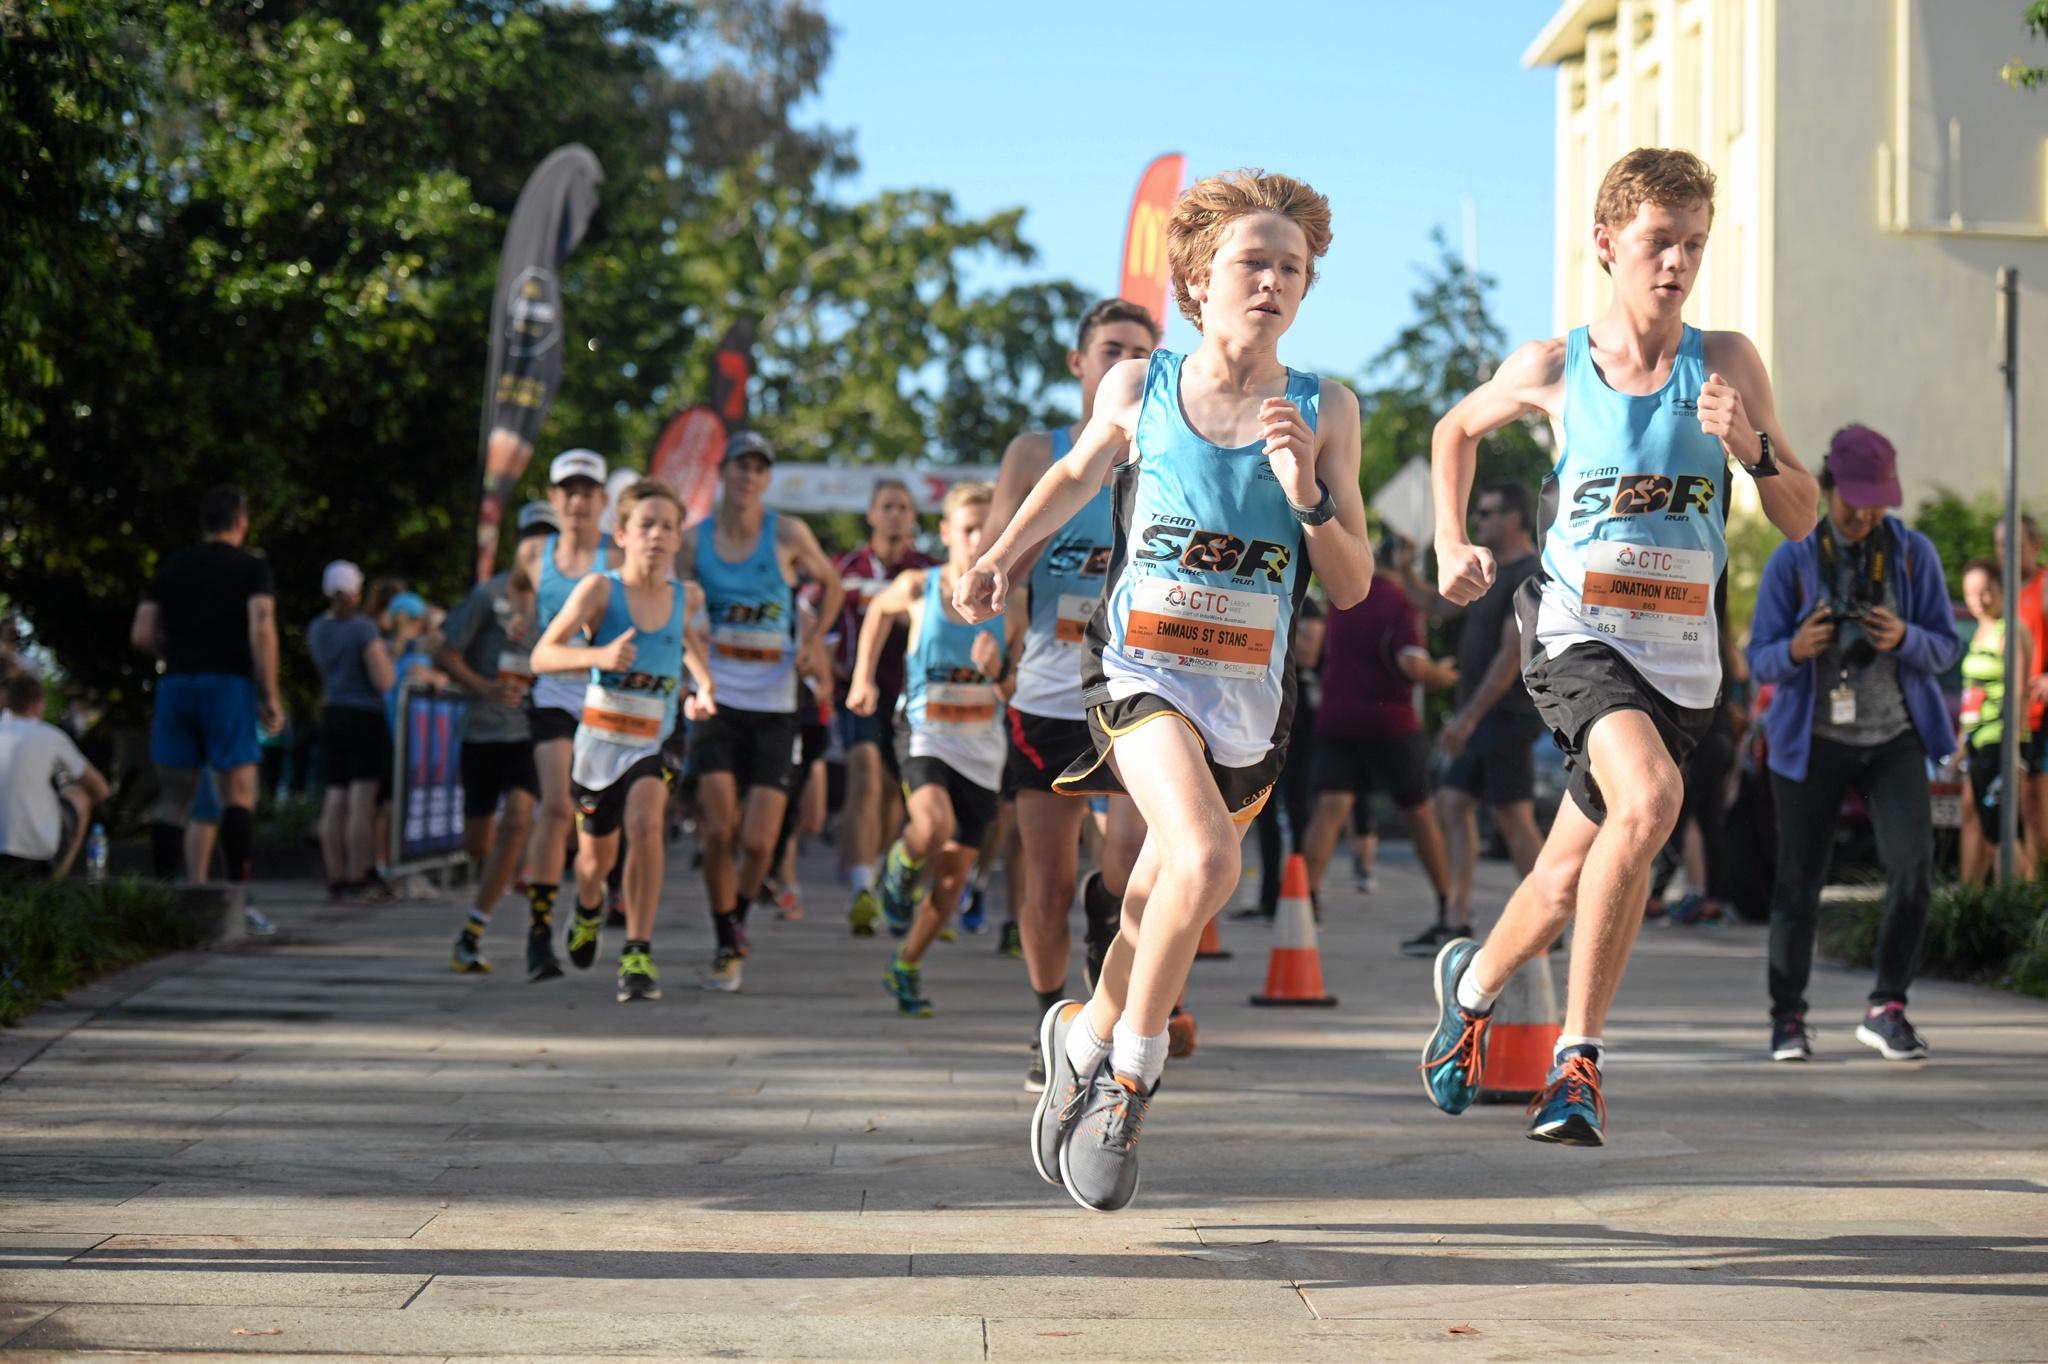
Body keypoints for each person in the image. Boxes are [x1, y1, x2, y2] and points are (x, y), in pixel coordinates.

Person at [959, 168, 1371, 1212]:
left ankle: (1081, 1030)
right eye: (1253, 262)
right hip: (1139, 665)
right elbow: (1068, 477)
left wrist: (1307, 496)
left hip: (1246, 695)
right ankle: (1129, 1081)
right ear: (1196, 279)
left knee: (1154, 890)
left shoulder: (1323, 407)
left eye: (1292, 267)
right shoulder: (1139, 386)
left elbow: (1355, 580)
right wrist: (1000, 560)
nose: (1273, 281)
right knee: (1203, 853)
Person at [1420, 148, 1818, 1146]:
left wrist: (1750, 448)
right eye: (1656, 242)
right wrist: (1446, 535)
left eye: (1691, 243)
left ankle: (1464, 994)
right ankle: (1575, 1061)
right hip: (1575, 633)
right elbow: (1452, 431)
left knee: (1567, 873)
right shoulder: (1553, 366)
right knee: (1648, 800)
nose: (1675, 262)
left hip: (1678, 659)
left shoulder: (1724, 362)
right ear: (1604, 244)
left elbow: (1802, 515)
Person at [982, 297, 1161, 1086]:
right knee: (1047, 880)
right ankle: (1047, 1018)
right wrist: (998, 616)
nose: (1126, 361)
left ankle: (1109, 1000)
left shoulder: (1167, 445)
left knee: (1126, 866)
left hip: (1133, 685)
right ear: (1080, 364)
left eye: (1141, 352)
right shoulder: (1036, 453)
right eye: (1111, 348)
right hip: (1050, 691)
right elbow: (1002, 555)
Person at [1749, 425, 1958, 1061]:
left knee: (1914, 873)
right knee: (1798, 885)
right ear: (1828, 486)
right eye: (1852, 500)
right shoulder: (1796, 555)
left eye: (1877, 501)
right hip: (1811, 744)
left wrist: (1905, 639)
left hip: (1893, 737)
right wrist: (1795, 649)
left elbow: (1946, 646)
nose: (1864, 514)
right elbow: (1756, 660)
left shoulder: (1913, 554)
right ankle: (1788, 1018)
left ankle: (1887, 1007)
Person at [531, 480, 712, 1003]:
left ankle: (638, 949)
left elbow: (690, 648)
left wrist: (703, 690)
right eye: (646, 525)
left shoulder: (683, 596)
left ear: (679, 540)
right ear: (623, 534)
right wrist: (598, 658)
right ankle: (589, 906)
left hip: (657, 733)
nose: (657, 535)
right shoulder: (598, 590)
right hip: (602, 738)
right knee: (594, 862)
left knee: (646, 821)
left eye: (669, 527)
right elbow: (542, 656)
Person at [681, 430, 844, 992]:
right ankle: (726, 941)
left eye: (758, 469)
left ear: (765, 480)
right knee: (719, 831)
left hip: (776, 705)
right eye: (739, 467)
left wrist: (814, 640)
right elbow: (669, 603)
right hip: (715, 702)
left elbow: (833, 585)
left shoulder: (788, 533)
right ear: (722, 472)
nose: (748, 477)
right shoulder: (693, 541)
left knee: (757, 841)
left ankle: (738, 919)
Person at [847, 482, 1007, 1017]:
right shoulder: (919, 585)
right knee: (931, 826)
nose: (977, 538)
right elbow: (875, 614)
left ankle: (907, 964)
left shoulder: (1014, 599)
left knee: (951, 878)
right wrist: (863, 678)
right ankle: (898, 865)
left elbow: (1014, 690)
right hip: (924, 735)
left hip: (983, 750)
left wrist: (997, 671)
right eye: (967, 528)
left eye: (987, 528)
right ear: (945, 533)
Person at [1298, 541, 1460, 935]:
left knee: (1331, 808)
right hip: (1390, 722)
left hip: (1337, 717)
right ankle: (1447, 905)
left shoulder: (1344, 600)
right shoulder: (1399, 605)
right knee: (1419, 812)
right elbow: (1410, 664)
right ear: (1403, 569)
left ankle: (1303, 901)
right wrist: (1440, 675)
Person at [129, 485, 281, 901]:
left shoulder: (172, 566)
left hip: (177, 683)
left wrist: (174, 651)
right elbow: (261, 629)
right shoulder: (252, 568)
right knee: (238, 791)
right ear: (241, 521)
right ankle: (237, 896)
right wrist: (270, 693)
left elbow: (142, 633)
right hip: (228, 683)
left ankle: (162, 898)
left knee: (174, 796)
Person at [437, 502, 555, 972]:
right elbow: (445, 652)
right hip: (483, 730)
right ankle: (498, 876)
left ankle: (474, 928)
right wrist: (486, 687)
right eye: (533, 539)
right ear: (516, 543)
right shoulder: (488, 596)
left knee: (520, 819)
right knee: (478, 842)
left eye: (550, 541)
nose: (540, 549)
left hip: (529, 729)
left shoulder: (559, 602)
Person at [1430, 479, 1546, 956]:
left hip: (1507, 714)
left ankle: (1547, 918)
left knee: (1512, 817)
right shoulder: (1490, 573)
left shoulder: (1530, 574)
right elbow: (1438, 608)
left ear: (1514, 518)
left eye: (1487, 512)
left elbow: (1509, 657)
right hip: (1479, 717)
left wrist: (1468, 719)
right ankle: (1455, 919)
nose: (1478, 521)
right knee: (1453, 804)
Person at [513, 449, 613, 982]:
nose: (577, 501)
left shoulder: (617, 555)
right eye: (567, 491)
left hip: (607, 699)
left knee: (598, 817)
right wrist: (519, 618)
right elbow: (516, 590)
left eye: (587, 492)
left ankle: (592, 902)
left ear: (602, 501)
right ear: (553, 499)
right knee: (555, 807)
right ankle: (538, 934)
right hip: (553, 691)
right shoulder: (534, 552)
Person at [834, 480, 935, 933]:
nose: (895, 515)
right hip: (860, 691)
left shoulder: (930, 571)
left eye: (903, 508)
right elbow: (822, 622)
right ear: (872, 515)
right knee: (865, 778)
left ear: (914, 518)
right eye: (887, 507)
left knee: (896, 797)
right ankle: (859, 889)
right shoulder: (847, 568)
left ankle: (884, 873)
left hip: (913, 699)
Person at [307, 560, 398, 901]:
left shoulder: (317, 627)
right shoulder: (363, 629)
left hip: (331, 713)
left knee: (334, 798)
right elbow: (384, 680)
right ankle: (360, 875)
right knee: (362, 802)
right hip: (364, 717)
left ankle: (336, 877)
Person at [1958, 557, 2035, 887]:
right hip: (1977, 738)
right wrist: (1961, 741)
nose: (1979, 601)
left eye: (1986, 592)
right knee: (1975, 816)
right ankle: (1973, 898)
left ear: (2000, 590)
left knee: (2000, 827)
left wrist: (2012, 745)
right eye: (1971, 594)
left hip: (1999, 739)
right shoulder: (1980, 629)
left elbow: (2019, 691)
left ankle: (2022, 901)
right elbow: (1971, 692)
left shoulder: (2010, 630)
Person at [1251, 596, 1327, 917]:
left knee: (1298, 810)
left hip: (1300, 724)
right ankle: (1269, 898)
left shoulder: (1306, 606)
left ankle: (1305, 897)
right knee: (1262, 809)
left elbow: (1308, 655)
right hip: (1264, 719)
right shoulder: (1266, 597)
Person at [0, 671, 111, 880]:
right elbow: (101, 789)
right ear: (38, 703)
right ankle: (56, 882)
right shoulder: (49, 735)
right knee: (80, 794)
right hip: (36, 852)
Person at [1993, 513, 2047, 875]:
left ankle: (2039, 894)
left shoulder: (2043, 586)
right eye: (1999, 545)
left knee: (2033, 805)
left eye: (2014, 544)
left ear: (2035, 545)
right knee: (2001, 806)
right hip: (2004, 714)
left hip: (2039, 714)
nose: (2005, 552)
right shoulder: (2000, 591)